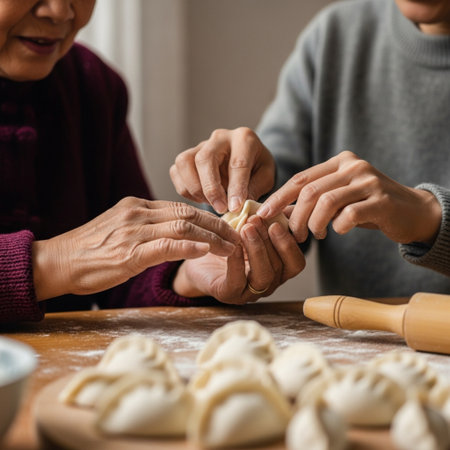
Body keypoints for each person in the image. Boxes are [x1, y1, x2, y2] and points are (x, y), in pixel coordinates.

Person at [0, 0, 305, 323]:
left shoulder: (92, 86)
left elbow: (121, 279)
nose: (60, 11)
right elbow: (81, 262)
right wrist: (50, 264)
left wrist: (186, 275)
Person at [170, 0, 450, 298]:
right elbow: (283, 209)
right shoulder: (336, 36)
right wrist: (236, 187)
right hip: (358, 341)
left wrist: (431, 217)